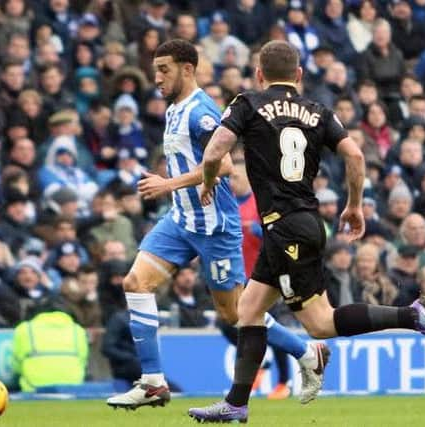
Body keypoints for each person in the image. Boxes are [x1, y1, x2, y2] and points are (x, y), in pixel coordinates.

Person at [189, 40, 425, 423]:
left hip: (284, 229)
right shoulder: (318, 111)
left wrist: (208, 182)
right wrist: (355, 205)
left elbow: (214, 152)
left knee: (320, 323)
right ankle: (236, 403)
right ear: (299, 75)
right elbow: (356, 155)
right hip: (306, 222)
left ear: (260, 75)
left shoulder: (248, 103)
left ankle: (411, 315)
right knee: (248, 308)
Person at [107, 40, 322, 410]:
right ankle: (153, 382)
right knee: (135, 282)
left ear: (187, 69)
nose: (156, 78)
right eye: (155, 69)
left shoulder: (202, 112)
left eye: (164, 70)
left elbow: (223, 166)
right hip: (181, 220)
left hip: (216, 227)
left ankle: (307, 352)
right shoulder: (174, 109)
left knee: (235, 314)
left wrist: (166, 184)